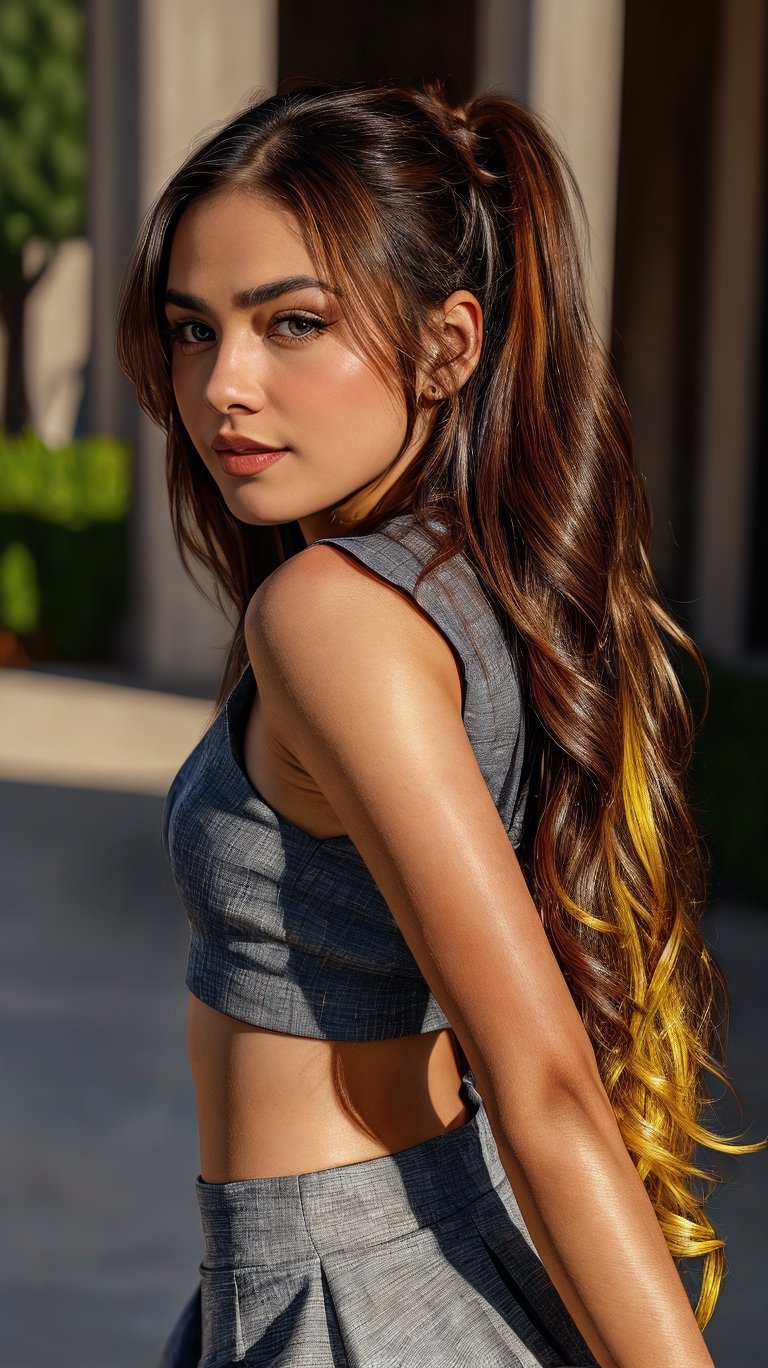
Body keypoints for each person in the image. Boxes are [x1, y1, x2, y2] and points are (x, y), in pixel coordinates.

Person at [116, 81, 762, 1368]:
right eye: (195, 329)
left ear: (448, 345)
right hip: (357, 1261)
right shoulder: (458, 579)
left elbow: (544, 1082)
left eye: (291, 322)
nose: (224, 385)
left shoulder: (332, 613)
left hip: (358, 1295)